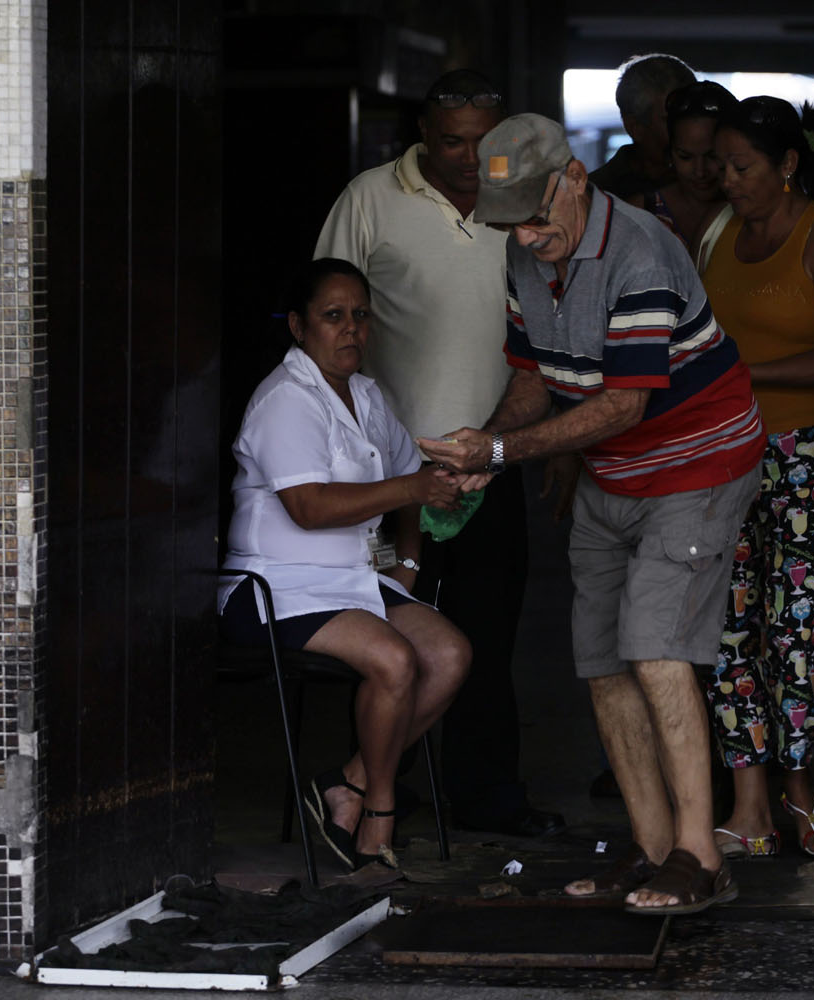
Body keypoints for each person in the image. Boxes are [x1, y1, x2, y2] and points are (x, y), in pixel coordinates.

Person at [419, 114, 766, 916]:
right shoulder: (523, 251)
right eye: (512, 225)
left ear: (575, 180)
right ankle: (651, 852)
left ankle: (702, 856)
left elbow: (623, 404)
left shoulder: (640, 251)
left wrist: (503, 458)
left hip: (697, 464)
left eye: (540, 218)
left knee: (654, 648)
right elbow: (538, 374)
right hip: (615, 475)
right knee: (604, 661)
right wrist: (488, 440)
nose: (530, 238)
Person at [314, 69, 565, 839]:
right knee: (384, 632)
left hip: (495, 457)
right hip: (390, 472)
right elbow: (328, 317)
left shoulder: (525, 201)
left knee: (486, 638)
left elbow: (553, 332)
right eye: (450, 140)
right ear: (421, 133)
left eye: (481, 142)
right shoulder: (369, 198)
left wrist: (517, 444)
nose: (465, 157)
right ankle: (382, 789)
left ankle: (487, 795)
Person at [217, 257, 472, 871]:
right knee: (394, 660)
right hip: (277, 584)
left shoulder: (365, 393)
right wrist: (411, 494)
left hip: (358, 578)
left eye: (360, 315)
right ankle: (377, 811)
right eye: (333, 317)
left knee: (450, 655)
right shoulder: (284, 399)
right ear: (300, 327)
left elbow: (410, 475)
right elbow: (308, 508)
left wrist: (405, 562)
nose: (350, 328)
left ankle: (348, 782)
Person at [696, 96, 814, 859]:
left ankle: (802, 790)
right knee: (730, 625)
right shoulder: (716, 236)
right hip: (727, 455)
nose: (728, 181)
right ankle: (750, 806)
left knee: (799, 630)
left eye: (743, 167)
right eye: (720, 166)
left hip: (811, 458)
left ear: (788, 165)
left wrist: (745, 374)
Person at [633, 80, 737, 256]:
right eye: (685, 157)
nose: (700, 171)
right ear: (670, 154)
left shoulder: (754, 211)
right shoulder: (640, 213)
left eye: (712, 156)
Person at [588, 54, 696, 202]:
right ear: (635, 128)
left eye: (693, 117)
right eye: (671, 120)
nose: (690, 130)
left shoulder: (721, 183)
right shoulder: (594, 197)